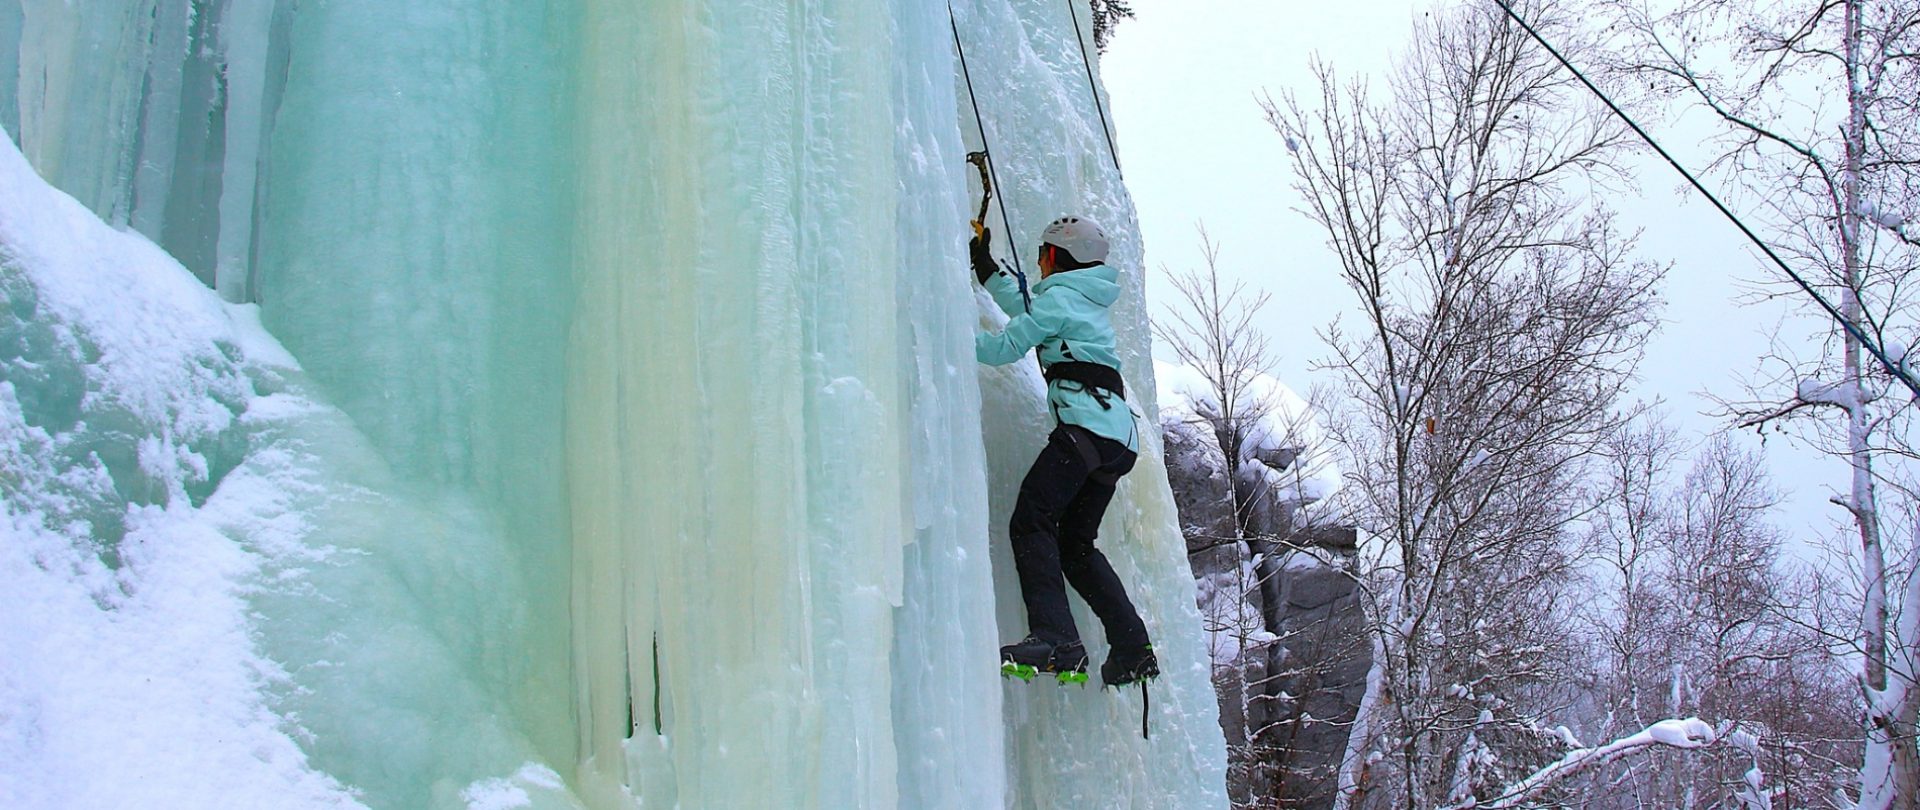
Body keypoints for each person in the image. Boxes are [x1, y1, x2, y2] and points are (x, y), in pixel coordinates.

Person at [971, 215, 1158, 688]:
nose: (1037, 263)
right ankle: (1132, 647)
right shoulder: (1081, 297)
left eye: (1041, 254)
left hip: (1085, 429)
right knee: (1074, 545)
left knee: (1031, 520)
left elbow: (1003, 347)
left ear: (1055, 255)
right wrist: (987, 268)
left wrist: (942, 337)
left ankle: (1057, 639)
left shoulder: (1060, 297)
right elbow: (1031, 305)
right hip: (1116, 440)